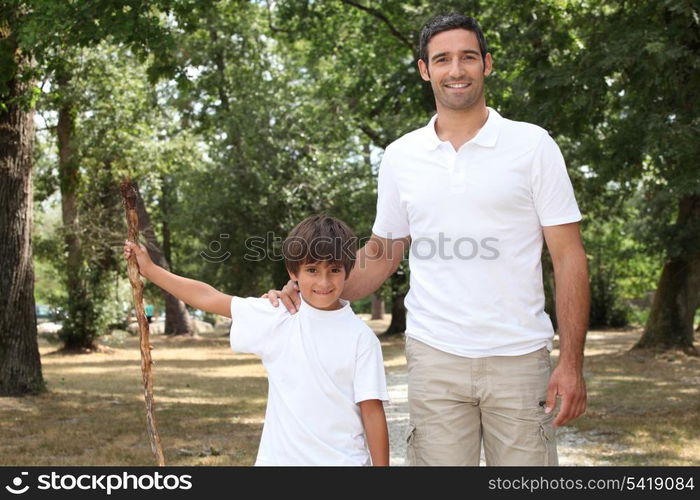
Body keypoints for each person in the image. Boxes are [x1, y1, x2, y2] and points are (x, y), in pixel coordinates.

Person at [267, 13, 589, 466]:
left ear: (487, 65)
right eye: (442, 59)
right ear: (425, 69)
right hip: (434, 358)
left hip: (518, 357)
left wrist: (571, 363)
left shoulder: (533, 146)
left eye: (467, 58)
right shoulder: (401, 157)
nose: (455, 70)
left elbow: (569, 256)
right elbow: (380, 254)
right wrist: (310, 288)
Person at [124, 214, 390, 466]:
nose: (323, 281)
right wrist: (150, 270)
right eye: (311, 269)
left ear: (347, 271)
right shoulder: (278, 315)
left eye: (334, 269)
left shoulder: (361, 338)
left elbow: (372, 412)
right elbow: (208, 297)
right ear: (293, 272)